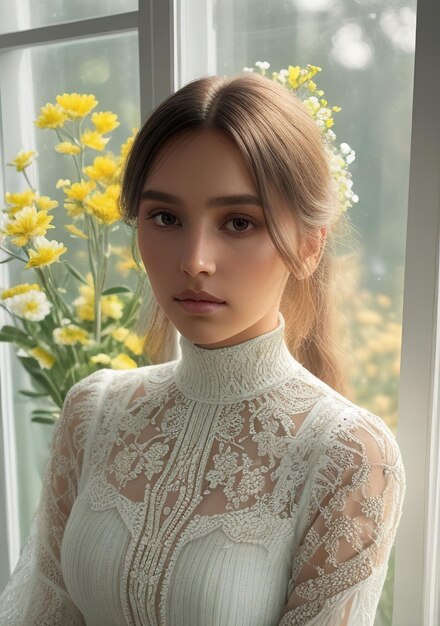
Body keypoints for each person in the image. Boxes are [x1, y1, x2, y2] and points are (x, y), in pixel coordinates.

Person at [0, 72, 406, 625]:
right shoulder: (93, 413)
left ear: (310, 247)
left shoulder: (349, 455)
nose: (194, 260)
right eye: (165, 217)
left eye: (239, 222)